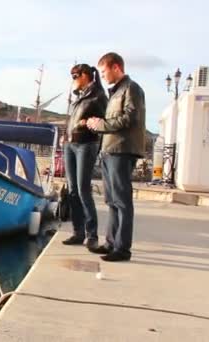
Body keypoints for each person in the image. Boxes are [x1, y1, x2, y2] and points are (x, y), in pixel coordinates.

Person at [86, 52, 146, 262]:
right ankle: (111, 243)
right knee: (112, 200)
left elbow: (130, 118)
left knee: (122, 201)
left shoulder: (131, 89)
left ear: (116, 67)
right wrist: (98, 123)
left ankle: (122, 249)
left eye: (104, 72)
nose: (103, 76)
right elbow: (116, 120)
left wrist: (100, 125)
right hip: (110, 150)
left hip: (122, 150)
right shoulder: (116, 92)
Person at [61, 64, 107, 250]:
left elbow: (105, 123)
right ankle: (77, 232)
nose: (73, 79)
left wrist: (87, 123)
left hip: (86, 145)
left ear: (85, 75)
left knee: (83, 190)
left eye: (75, 76)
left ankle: (92, 234)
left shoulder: (99, 96)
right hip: (70, 145)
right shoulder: (80, 97)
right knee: (72, 190)